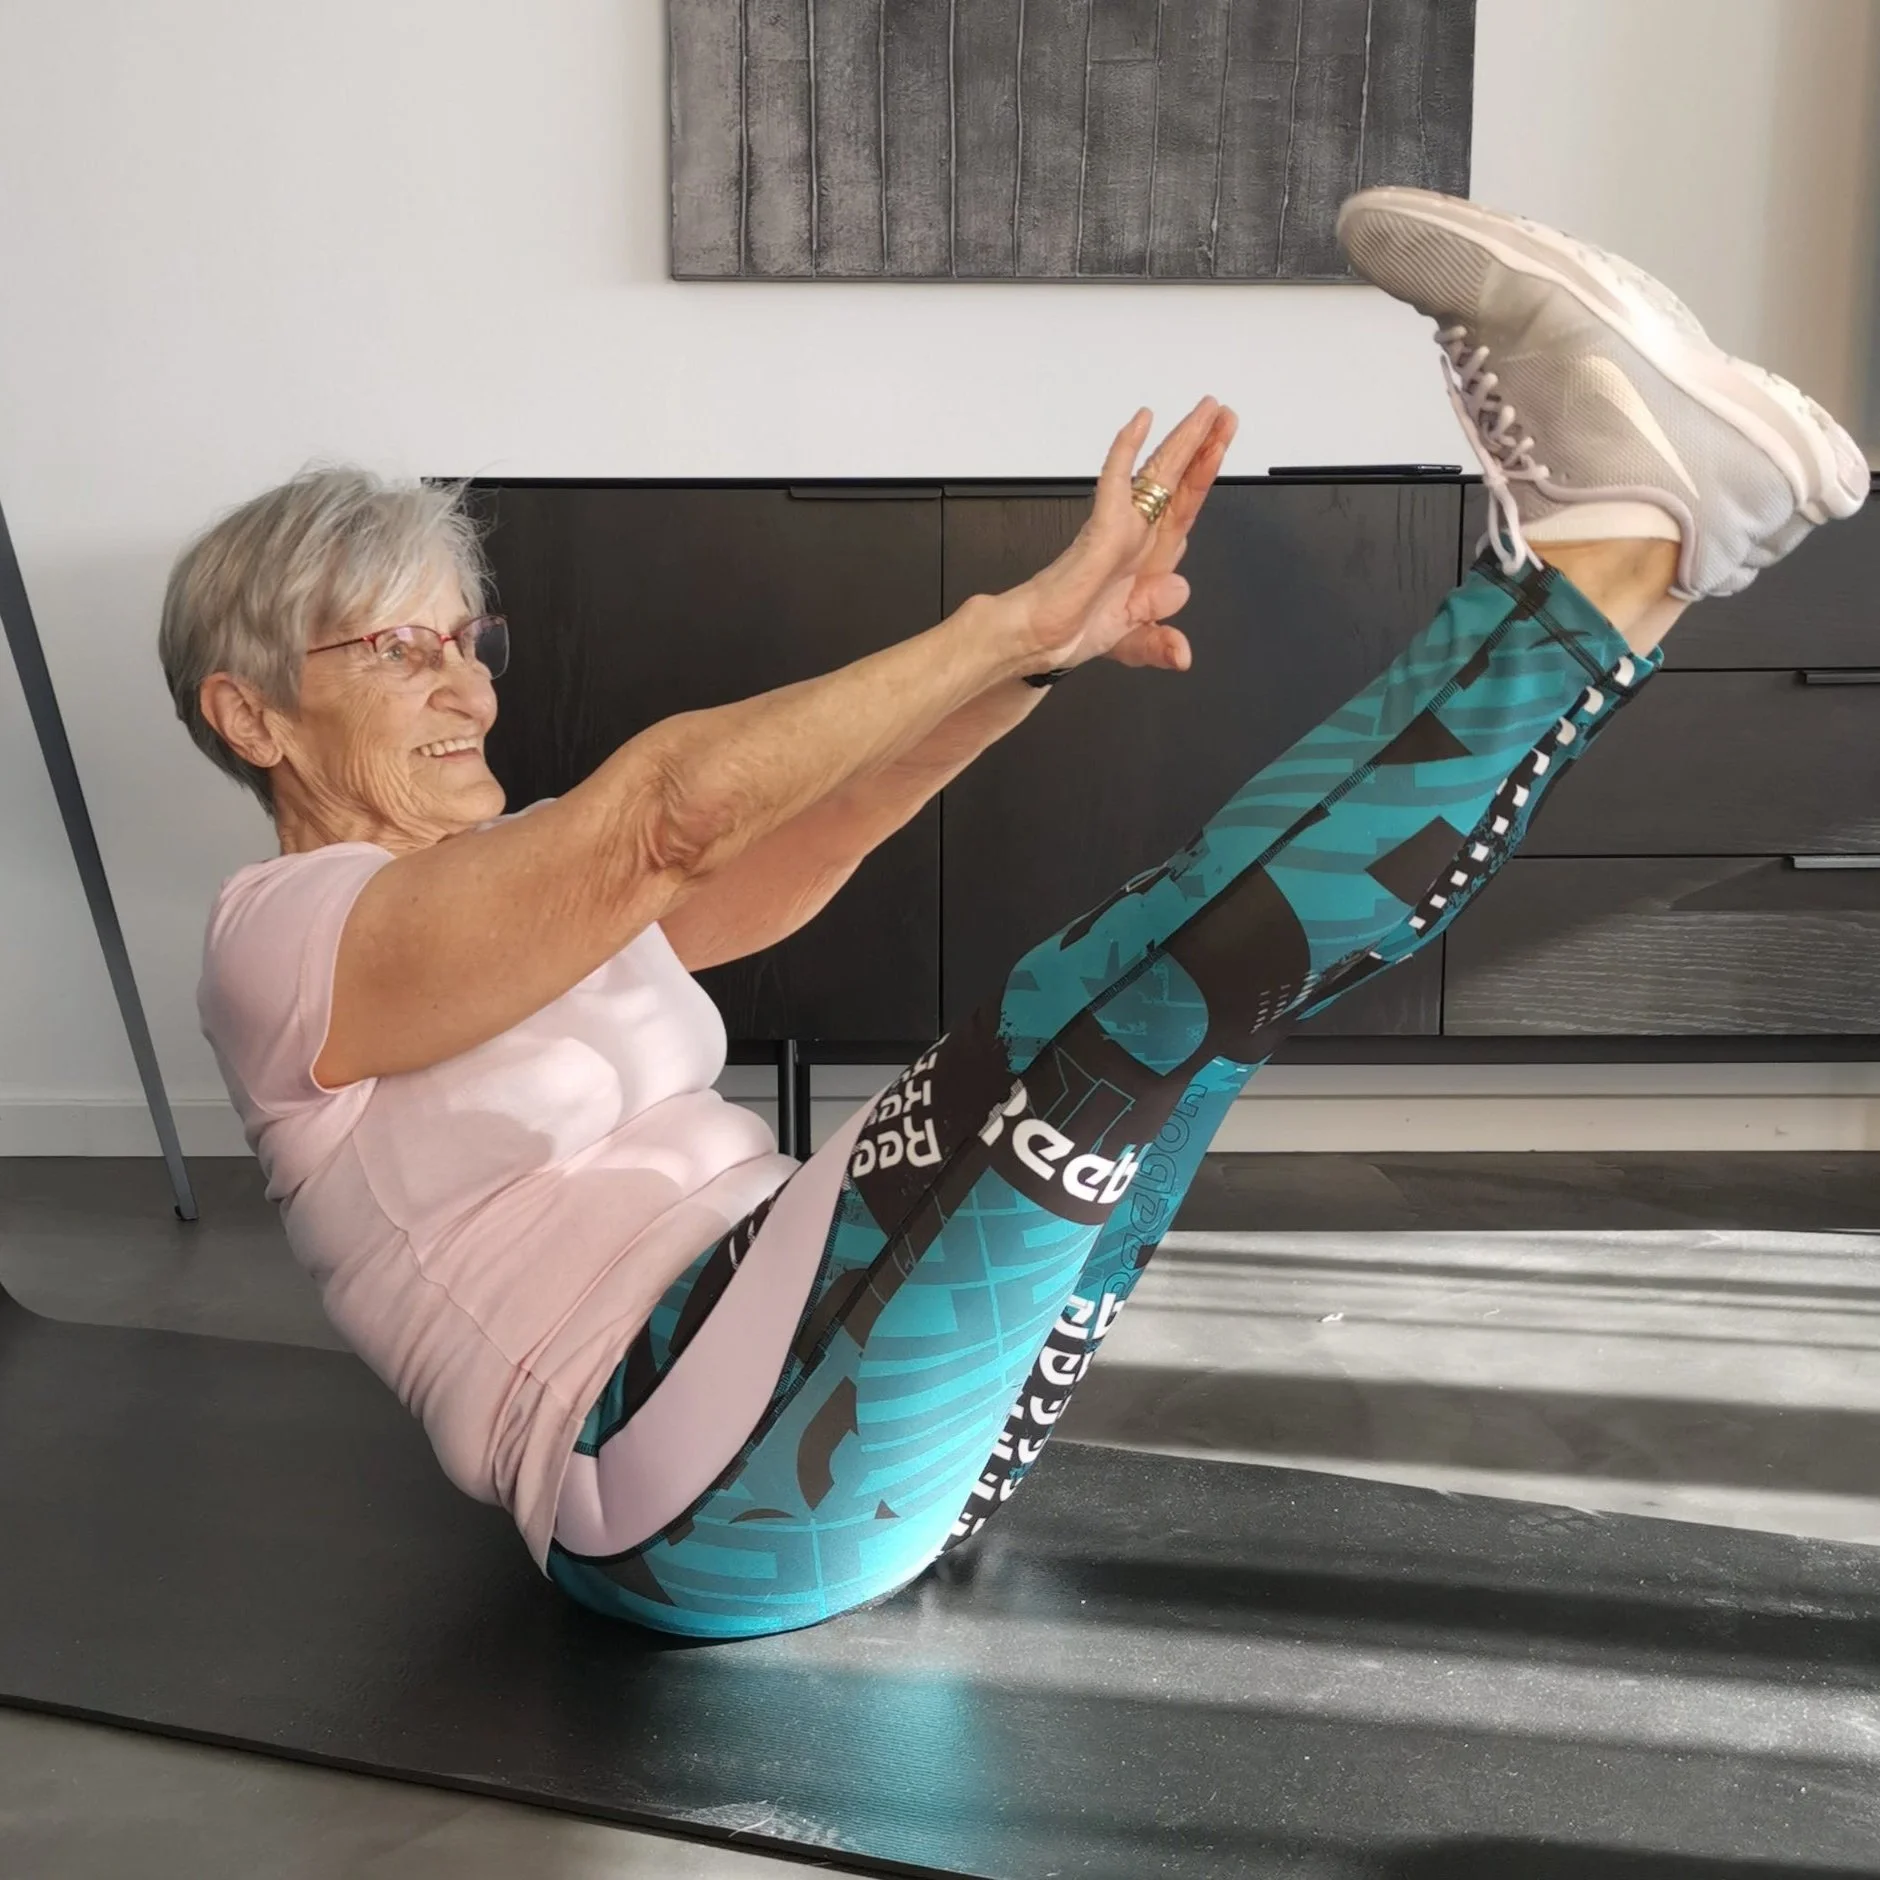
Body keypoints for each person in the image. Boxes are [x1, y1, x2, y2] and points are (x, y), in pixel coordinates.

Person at [164, 190, 1867, 1640]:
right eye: (396, 648)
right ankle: (1621, 549)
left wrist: (1039, 664)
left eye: (465, 638)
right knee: (1149, 983)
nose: (463, 683)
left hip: (832, 1403)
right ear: (250, 716)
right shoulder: (281, 941)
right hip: (682, 1469)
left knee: (1205, 990)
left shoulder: (512, 886)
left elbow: (785, 852)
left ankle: (1646, 558)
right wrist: (1007, 618)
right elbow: (667, 822)